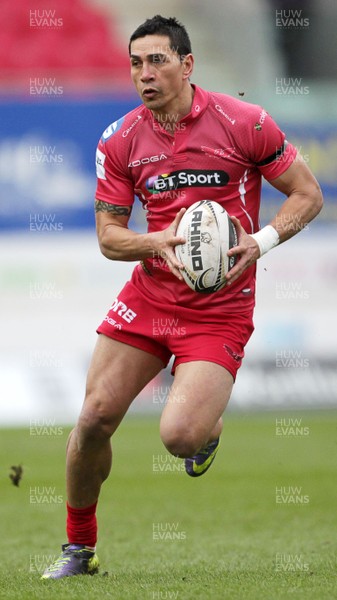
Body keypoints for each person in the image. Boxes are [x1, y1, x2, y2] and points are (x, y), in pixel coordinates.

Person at [42, 15, 323, 579]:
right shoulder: (120, 139)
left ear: (187, 64)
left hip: (220, 311)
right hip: (150, 297)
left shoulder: (243, 122)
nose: (144, 75)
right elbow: (108, 237)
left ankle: (207, 427)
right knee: (94, 417)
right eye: (135, 63)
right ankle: (79, 550)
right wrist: (153, 240)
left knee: (179, 437)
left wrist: (261, 241)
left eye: (157, 61)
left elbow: (307, 194)